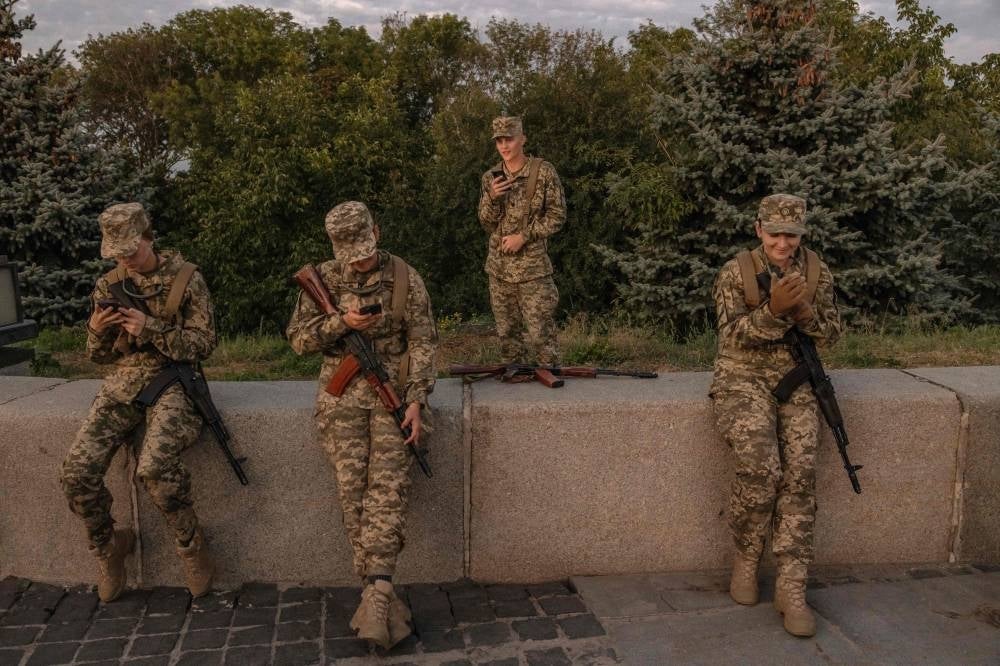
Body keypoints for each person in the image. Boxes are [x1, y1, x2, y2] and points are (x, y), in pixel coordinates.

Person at [286, 201, 437, 649]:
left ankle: (378, 594)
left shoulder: (405, 277)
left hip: (395, 396)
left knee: (387, 492)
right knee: (353, 497)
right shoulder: (323, 278)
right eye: (351, 255)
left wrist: (416, 400)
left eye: (366, 251)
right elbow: (298, 340)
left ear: (378, 232)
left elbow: (424, 341)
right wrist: (341, 323)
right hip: (341, 399)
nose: (360, 261)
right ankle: (378, 597)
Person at [60, 202, 217, 602]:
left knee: (155, 468)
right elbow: (100, 357)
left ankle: (191, 546)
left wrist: (151, 328)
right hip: (125, 383)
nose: (126, 259)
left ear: (148, 236)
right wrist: (96, 329)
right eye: (118, 253)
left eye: (131, 249)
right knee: (76, 472)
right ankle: (109, 548)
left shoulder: (186, 278)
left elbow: (204, 344)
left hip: (175, 379)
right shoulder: (110, 284)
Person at [709, 194, 842, 637]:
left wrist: (806, 313)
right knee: (761, 467)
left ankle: (791, 584)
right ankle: (747, 558)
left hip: (795, 377)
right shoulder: (736, 272)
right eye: (774, 234)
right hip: (742, 377)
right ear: (758, 229)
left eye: (791, 235)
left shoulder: (816, 272)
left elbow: (832, 334)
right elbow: (731, 337)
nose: (783, 243)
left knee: (801, 473)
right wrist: (773, 312)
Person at [477, 115, 566, 365]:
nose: (504, 146)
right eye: (499, 141)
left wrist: (524, 237)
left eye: (510, 139)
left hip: (533, 270)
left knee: (541, 336)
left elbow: (558, 216)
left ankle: (550, 378)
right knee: (508, 338)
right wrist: (492, 198)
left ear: (523, 139)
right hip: (500, 270)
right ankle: (515, 381)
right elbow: (486, 223)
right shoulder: (491, 178)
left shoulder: (543, 172)